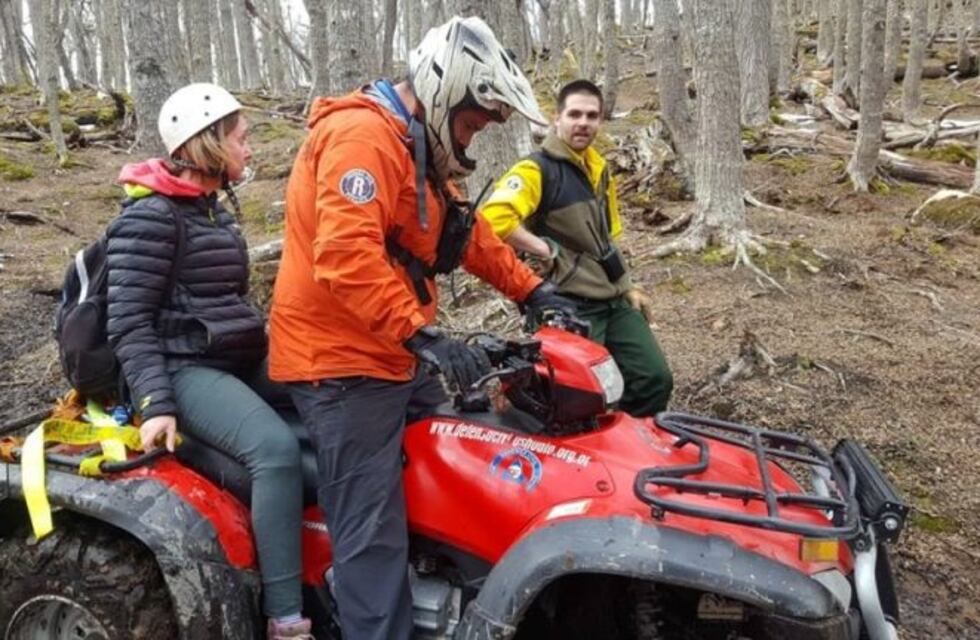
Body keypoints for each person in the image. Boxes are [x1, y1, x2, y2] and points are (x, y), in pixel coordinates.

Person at [267, 16, 575, 640]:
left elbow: (466, 233)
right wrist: (423, 334)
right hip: (339, 365)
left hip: (391, 353)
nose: (471, 138)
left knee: (460, 469)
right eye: (471, 125)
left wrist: (532, 289)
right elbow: (345, 256)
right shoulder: (362, 138)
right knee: (372, 532)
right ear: (444, 94)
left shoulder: (416, 148)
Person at [105, 83, 312, 640]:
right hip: (180, 368)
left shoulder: (213, 212)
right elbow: (127, 320)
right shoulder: (150, 217)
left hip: (232, 357)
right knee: (274, 450)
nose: (250, 149)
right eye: (242, 139)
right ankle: (286, 619)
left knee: (330, 385)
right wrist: (156, 403)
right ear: (210, 142)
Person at [481, 79, 673, 417]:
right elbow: (491, 219)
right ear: (557, 118)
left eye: (591, 116)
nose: (583, 122)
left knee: (653, 379)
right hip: (567, 305)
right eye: (574, 114)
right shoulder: (535, 169)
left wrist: (627, 286)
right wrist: (543, 249)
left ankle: (627, 441)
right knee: (572, 397)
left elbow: (607, 237)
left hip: (612, 300)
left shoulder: (598, 168)